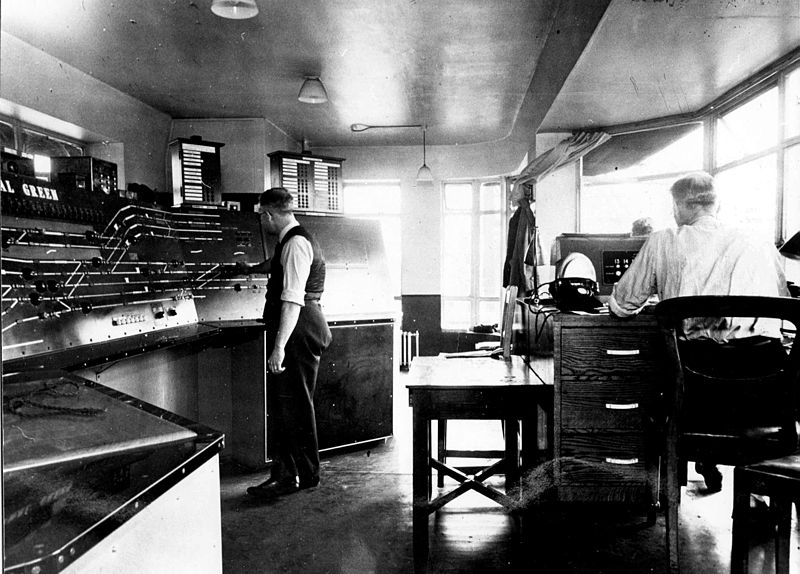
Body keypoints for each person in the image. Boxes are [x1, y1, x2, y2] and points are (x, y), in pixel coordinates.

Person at [609, 171, 790, 492]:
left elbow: (622, 305)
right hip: (764, 396)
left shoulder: (664, 240)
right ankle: (761, 494)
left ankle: (674, 484)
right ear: (716, 204)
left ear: (678, 206)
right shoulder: (759, 240)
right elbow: (783, 307)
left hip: (697, 395)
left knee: (655, 382)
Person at [245, 187, 332, 500]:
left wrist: (279, 346)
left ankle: (299, 475)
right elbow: (277, 264)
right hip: (302, 328)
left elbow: (292, 298)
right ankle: (293, 474)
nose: (262, 222)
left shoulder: (295, 244)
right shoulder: (292, 238)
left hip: (298, 329)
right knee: (288, 404)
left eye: (261, 216)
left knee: (293, 404)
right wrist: (250, 269)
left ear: (269, 214)